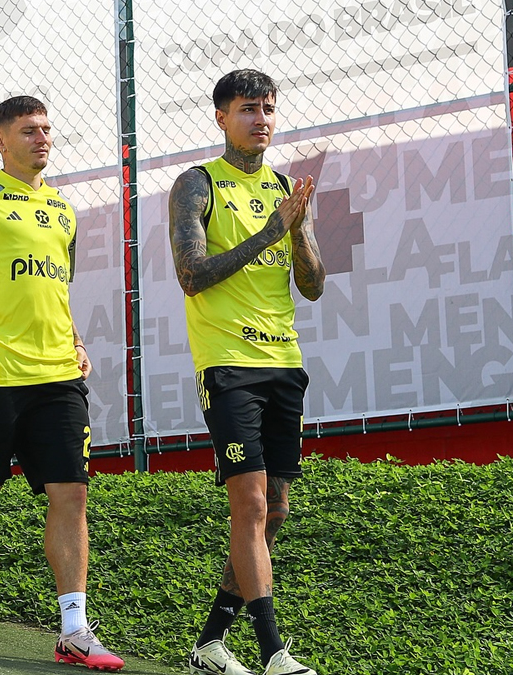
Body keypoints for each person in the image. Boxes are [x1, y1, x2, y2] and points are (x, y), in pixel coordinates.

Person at [0, 95, 124, 671]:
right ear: (0, 140)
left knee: (72, 494)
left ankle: (74, 629)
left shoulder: (63, 210)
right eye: (29, 130)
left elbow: (56, 291)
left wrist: (77, 341)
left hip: (59, 376)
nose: (42, 138)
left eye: (47, 128)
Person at [168, 69, 323, 675]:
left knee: (276, 509)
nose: (260, 119)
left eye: (267, 108)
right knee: (252, 505)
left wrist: (299, 231)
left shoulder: (287, 189)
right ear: (221, 118)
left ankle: (209, 644)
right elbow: (192, 274)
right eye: (247, 109)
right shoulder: (197, 185)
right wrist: (268, 233)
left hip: (284, 361)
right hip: (228, 365)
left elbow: (312, 287)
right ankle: (273, 653)